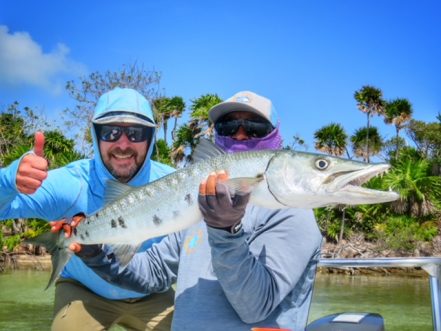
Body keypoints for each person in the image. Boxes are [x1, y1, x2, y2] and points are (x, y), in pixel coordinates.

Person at [74, 91, 323, 330]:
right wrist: (96, 254)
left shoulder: (293, 211)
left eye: (254, 128)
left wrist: (225, 231)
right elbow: (152, 273)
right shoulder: (200, 198)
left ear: (275, 137)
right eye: (227, 128)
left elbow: (254, 308)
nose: (239, 136)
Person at [0, 87, 175, 331]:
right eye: (111, 132)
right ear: (96, 135)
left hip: (153, 294)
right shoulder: (71, 183)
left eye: (136, 133)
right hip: (84, 290)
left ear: (150, 138)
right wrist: (7, 182)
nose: (123, 144)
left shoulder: (174, 183)